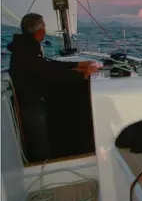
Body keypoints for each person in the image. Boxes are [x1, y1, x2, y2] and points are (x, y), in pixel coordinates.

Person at [7, 13, 98, 162]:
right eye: (43, 26)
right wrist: (83, 74)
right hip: (31, 106)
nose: (45, 29)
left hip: (32, 100)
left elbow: (47, 65)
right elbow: (48, 73)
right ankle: (45, 171)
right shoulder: (27, 51)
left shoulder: (25, 47)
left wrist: (77, 64)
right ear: (38, 30)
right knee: (41, 146)